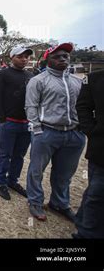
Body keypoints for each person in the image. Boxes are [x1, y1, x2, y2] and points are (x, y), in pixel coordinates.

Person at [25, 43, 85, 222]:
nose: (62, 59)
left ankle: (59, 203)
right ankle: (35, 201)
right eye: (57, 56)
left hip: (73, 134)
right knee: (37, 170)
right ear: (47, 59)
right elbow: (31, 106)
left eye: (65, 56)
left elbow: (83, 107)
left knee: (64, 173)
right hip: (47, 132)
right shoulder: (39, 80)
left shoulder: (77, 81)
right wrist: (37, 130)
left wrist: (82, 130)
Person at [0, 46, 34, 201]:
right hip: (9, 122)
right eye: (20, 56)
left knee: (20, 155)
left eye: (26, 57)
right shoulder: (3, 74)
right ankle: (2, 182)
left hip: (26, 123)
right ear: (12, 57)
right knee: (5, 154)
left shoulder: (31, 75)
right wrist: (2, 119)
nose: (24, 59)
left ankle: (13, 181)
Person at [74, 69, 104, 238]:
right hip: (101, 151)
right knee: (97, 195)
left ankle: (82, 222)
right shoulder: (94, 79)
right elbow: (83, 107)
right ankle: (85, 234)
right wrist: (92, 131)